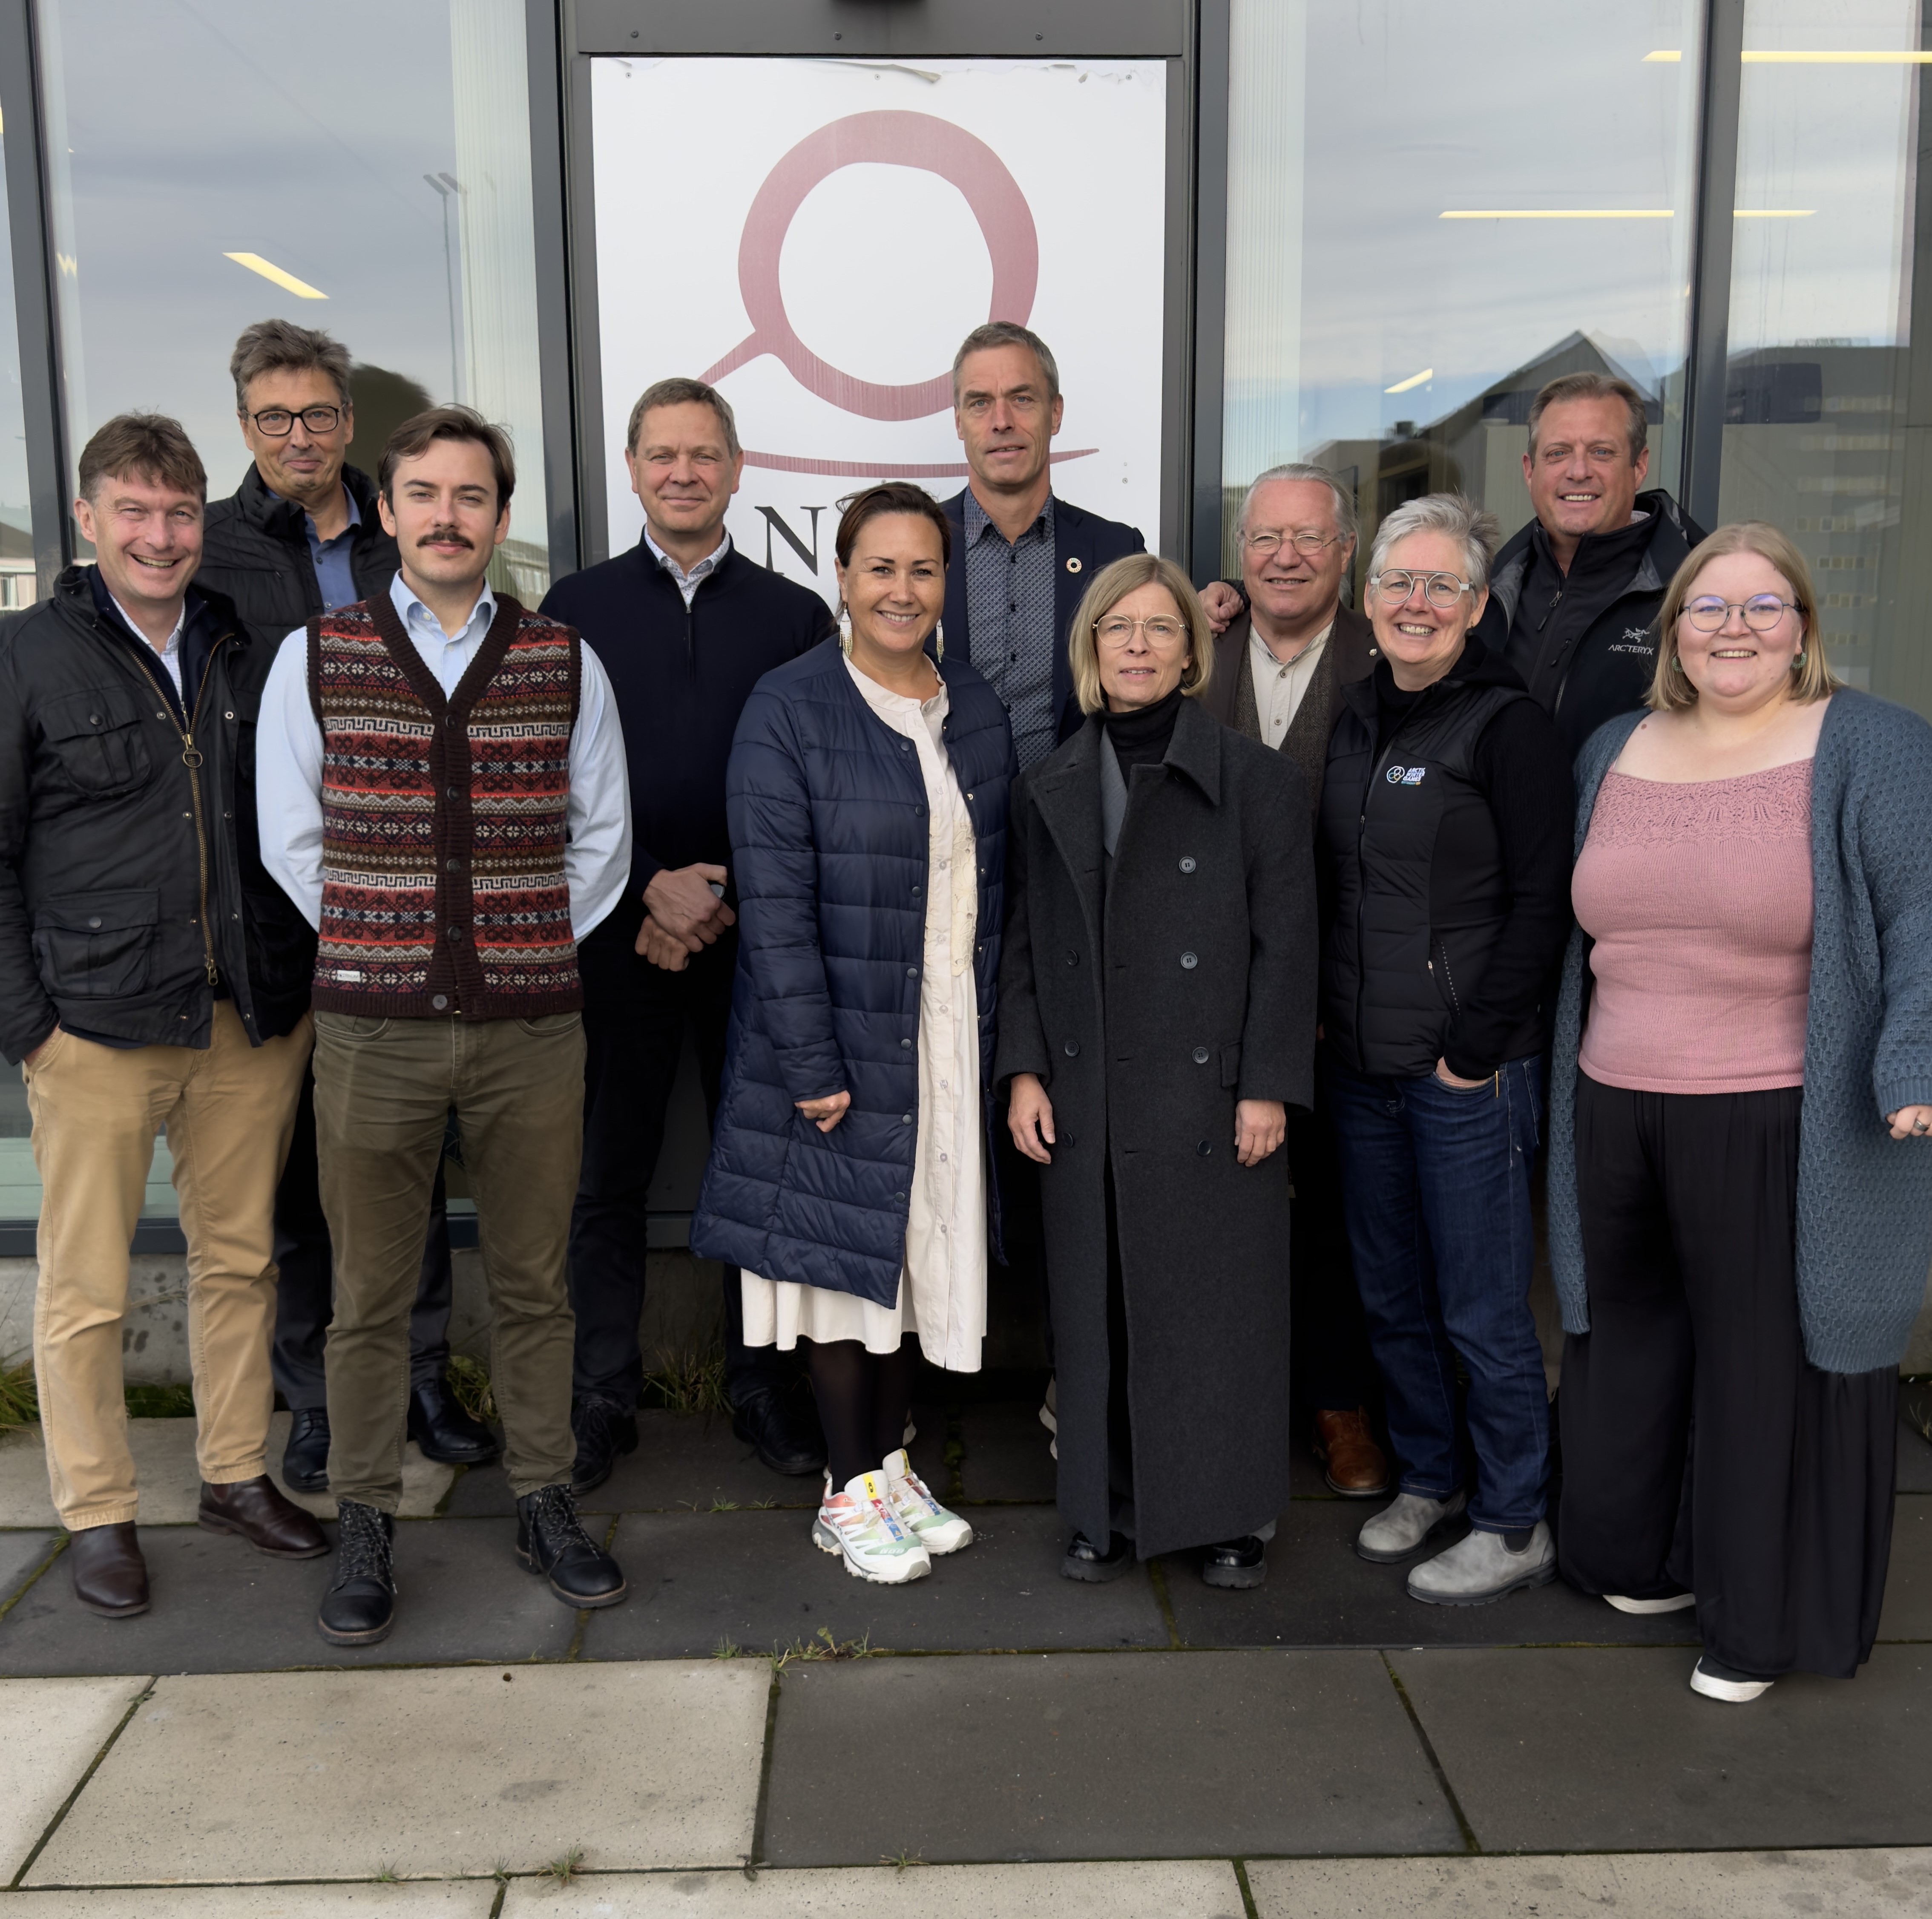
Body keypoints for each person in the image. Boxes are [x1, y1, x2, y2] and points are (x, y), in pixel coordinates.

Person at [255, 406, 634, 1646]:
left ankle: (541, 1493)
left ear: (501, 519)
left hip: (533, 1026)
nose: (445, 516)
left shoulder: (565, 658)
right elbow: (291, 839)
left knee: (535, 1280)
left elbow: (604, 840)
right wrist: (395, 943)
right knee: (367, 1293)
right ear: (387, 510)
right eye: (422, 493)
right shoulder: (318, 656)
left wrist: (510, 943)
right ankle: (367, 1512)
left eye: (470, 496)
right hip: (372, 1028)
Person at [1547, 521, 1932, 1703]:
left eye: (1765, 608)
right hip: (1616, 1103)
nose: (1735, 630)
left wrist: (1912, 1060)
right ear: (1673, 635)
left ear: (1805, 628)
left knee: (1767, 1366)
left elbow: (1923, 914)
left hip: (1777, 1113)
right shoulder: (1617, 746)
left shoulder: (1868, 745)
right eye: (1710, 610)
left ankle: (1761, 1620)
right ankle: (1650, 1557)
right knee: (1634, 1347)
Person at [0, 413, 325, 1618]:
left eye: (179, 512)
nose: (159, 535)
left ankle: (236, 1475)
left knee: (239, 1263)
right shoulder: (28, 656)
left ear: (205, 522)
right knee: (85, 1288)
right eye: (133, 511)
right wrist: (30, 1024)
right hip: (90, 1027)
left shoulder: (247, 649)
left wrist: (290, 991)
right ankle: (97, 1511)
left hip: (245, 1022)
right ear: (87, 521)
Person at [690, 483, 1013, 1585]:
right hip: (835, 1039)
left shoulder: (970, 702)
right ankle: (845, 1486)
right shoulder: (788, 707)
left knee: (913, 1259)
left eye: (924, 570)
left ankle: (889, 1465)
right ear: (842, 575)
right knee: (839, 1268)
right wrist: (812, 1064)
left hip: (945, 1034)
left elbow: (997, 886)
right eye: (881, 568)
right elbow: (772, 908)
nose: (903, 590)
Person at [198, 317, 489, 1494]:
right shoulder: (212, 554)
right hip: (273, 914)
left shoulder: (409, 533)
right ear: (245, 427)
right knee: (300, 1183)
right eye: (275, 418)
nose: (300, 436)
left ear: (349, 421)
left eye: (318, 413)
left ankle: (421, 1378)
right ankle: (318, 1398)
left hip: (413, 915)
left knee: (406, 1163)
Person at [998, 552, 1315, 1589]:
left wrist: (1267, 1080)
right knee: (1097, 1314)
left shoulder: (1253, 779)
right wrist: (1025, 1070)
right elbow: (1024, 946)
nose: (1137, 645)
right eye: (1116, 628)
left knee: (1213, 1314)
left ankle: (1226, 1515)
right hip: (1087, 1090)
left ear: (1192, 648)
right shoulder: (1045, 781)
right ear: (1091, 649)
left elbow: (1289, 941)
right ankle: (1101, 1510)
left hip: (1214, 1097)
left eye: (1160, 629)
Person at [540, 377, 834, 1491]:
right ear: (631, 468)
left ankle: (763, 1383)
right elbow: (546, 784)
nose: (682, 472)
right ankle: (601, 1396)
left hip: (753, 940)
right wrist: (652, 887)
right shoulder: (572, 608)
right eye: (662, 454)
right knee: (605, 1172)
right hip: (613, 930)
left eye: (703, 454)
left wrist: (717, 899)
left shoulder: (794, 615)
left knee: (758, 1170)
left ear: (736, 468)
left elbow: (810, 793)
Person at [1317, 494, 1573, 1606]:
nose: (1415, 603)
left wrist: (1474, 1049)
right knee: (1393, 1293)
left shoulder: (1507, 726)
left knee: (1479, 1302)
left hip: (1467, 1073)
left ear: (1474, 605)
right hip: (1363, 1069)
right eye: (1397, 583)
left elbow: (1542, 902)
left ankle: (1515, 1516)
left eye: (1440, 585)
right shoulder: (1355, 716)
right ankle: (1432, 1479)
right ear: (1366, 600)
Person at [1197, 461, 1386, 1499]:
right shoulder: (1196, 646)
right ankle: (1222, 1406)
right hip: (1206, 997)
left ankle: (1337, 1403)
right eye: (1266, 537)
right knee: (1218, 1213)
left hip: (1346, 996)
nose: (1284, 556)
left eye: (1308, 539)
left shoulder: (1383, 657)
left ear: (1346, 555)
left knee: (1331, 1215)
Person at [941, 322, 1146, 771]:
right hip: (942, 827)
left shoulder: (1115, 550)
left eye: (1022, 398)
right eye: (980, 403)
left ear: (1055, 413)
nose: (1002, 421)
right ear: (959, 422)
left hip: (1077, 825)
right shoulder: (916, 547)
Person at [1472, 371, 1704, 761]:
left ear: (1639, 465)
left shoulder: (1698, 595)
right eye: (1558, 453)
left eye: (1601, 452)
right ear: (1530, 470)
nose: (1578, 471)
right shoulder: (1483, 589)